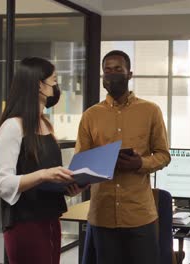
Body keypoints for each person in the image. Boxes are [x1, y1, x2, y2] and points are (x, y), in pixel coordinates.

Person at [76, 50, 171, 264]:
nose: (112, 75)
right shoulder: (90, 116)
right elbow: (81, 162)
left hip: (140, 215)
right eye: (107, 71)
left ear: (129, 74)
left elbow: (164, 155)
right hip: (103, 216)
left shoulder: (150, 111)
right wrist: (104, 161)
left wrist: (141, 163)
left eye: (118, 69)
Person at [0, 57, 85, 264]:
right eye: (53, 80)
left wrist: (67, 186)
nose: (56, 85)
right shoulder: (12, 126)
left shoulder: (46, 125)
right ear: (38, 85)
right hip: (25, 225)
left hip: (51, 220)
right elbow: (2, 183)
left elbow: (43, 176)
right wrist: (44, 175)